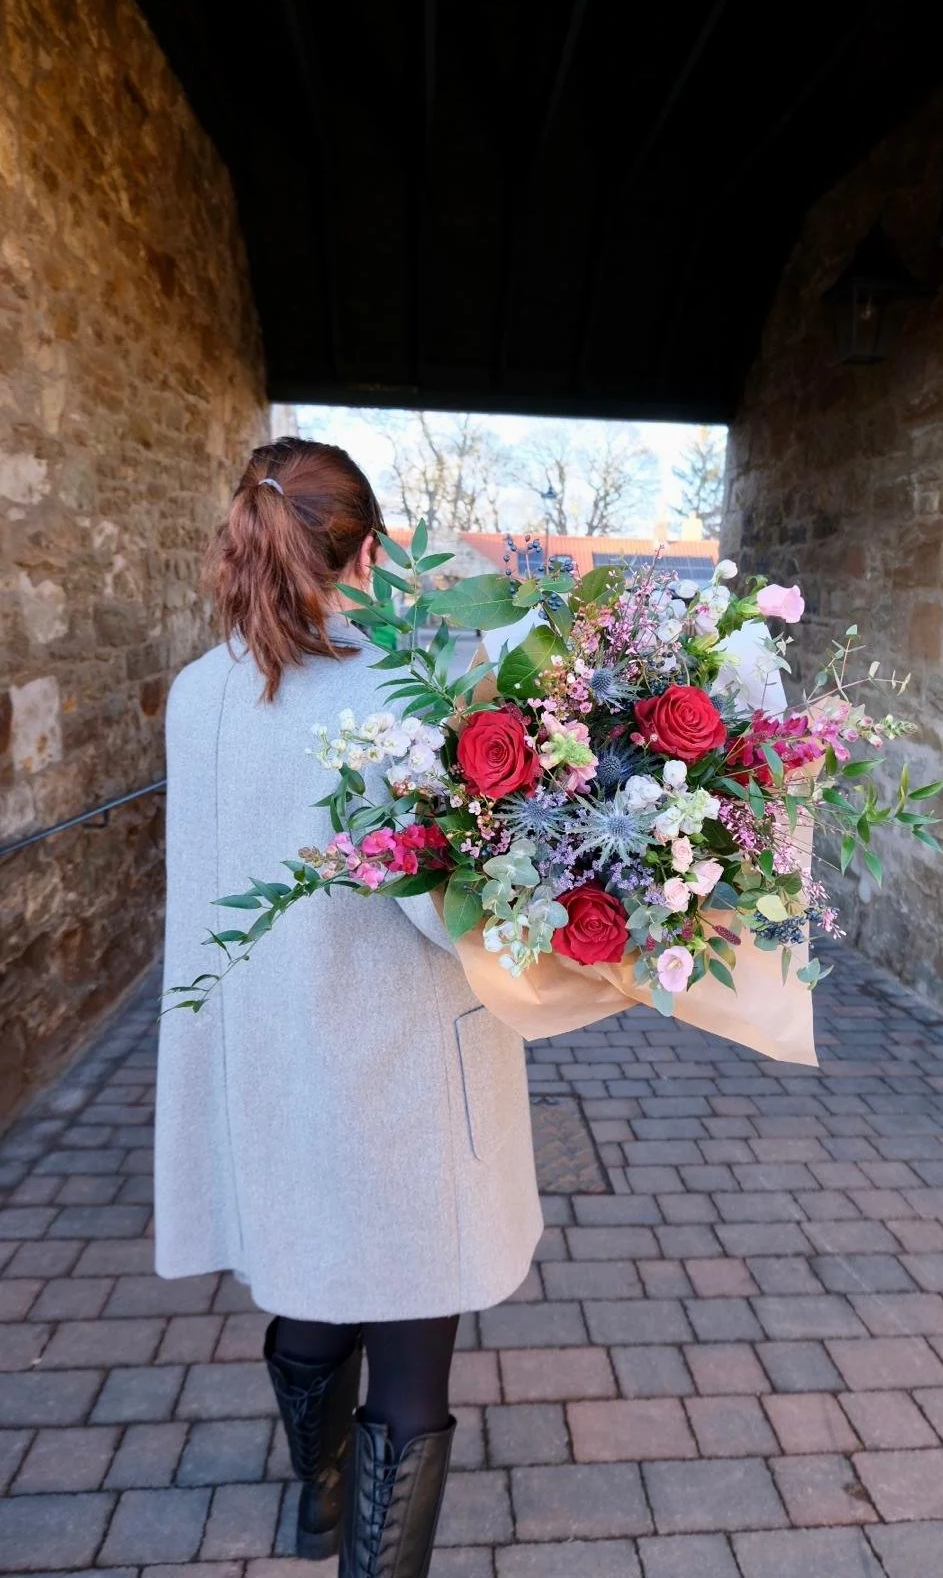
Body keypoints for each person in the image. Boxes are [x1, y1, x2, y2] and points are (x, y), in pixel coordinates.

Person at [154, 438, 543, 1576]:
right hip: (397, 1072)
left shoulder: (197, 693)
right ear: (370, 549)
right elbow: (443, 911)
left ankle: (318, 1501)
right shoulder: (402, 691)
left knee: (313, 1290)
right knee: (412, 1376)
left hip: (266, 1059)